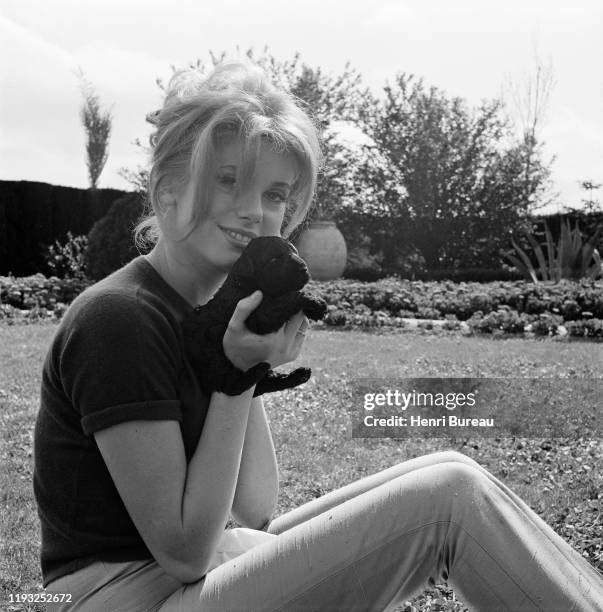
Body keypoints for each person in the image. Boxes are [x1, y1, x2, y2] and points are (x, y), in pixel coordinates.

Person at [34, 59, 602, 612]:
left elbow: (255, 507)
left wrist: (243, 365)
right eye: (227, 180)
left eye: (276, 194)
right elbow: (184, 553)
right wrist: (231, 380)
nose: (255, 211)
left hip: (183, 579)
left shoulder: (208, 310)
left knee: (451, 471)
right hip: (123, 596)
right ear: (167, 191)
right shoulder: (119, 317)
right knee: (447, 499)